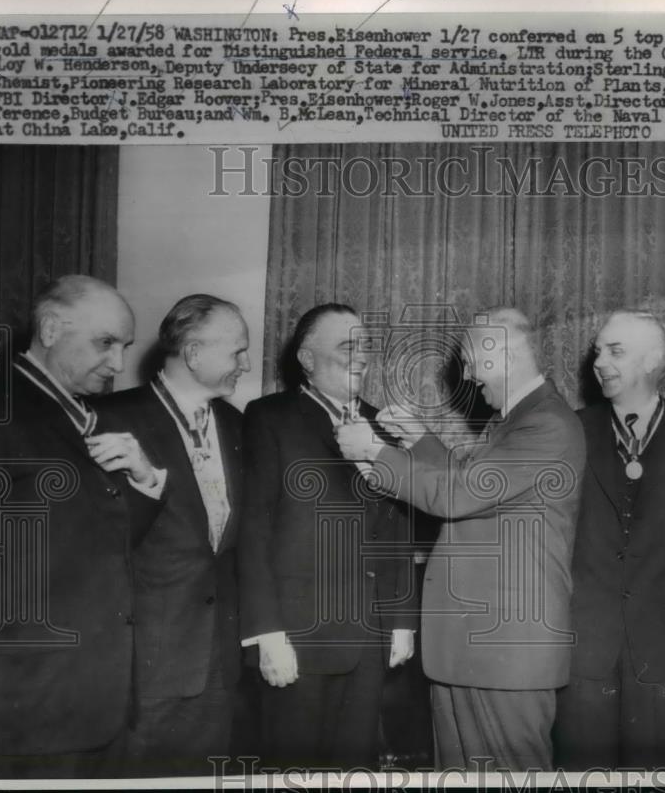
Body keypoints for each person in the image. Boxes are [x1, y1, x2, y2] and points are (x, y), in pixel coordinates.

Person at [337, 307, 586, 772]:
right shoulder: (512, 421)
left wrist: (374, 451)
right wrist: (419, 440)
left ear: (500, 357)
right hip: (477, 646)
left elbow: (459, 495)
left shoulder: (546, 424)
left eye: (471, 363)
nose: (469, 377)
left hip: (507, 650)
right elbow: (476, 486)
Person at [0, 275, 164, 779]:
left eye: (124, 347)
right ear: (51, 327)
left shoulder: (85, 416)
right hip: (29, 702)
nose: (119, 364)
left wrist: (145, 480)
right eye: (105, 342)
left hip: (97, 699)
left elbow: (109, 544)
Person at [237, 303, 417, 769]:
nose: (361, 356)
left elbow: (397, 529)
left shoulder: (386, 427)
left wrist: (401, 621)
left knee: (355, 771)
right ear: (307, 359)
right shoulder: (268, 417)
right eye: (346, 346)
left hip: (370, 639)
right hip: (297, 639)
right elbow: (253, 530)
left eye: (365, 346)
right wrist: (267, 635)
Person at [553, 310, 665, 769]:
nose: (600, 362)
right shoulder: (571, 430)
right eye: (597, 351)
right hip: (583, 640)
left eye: (616, 351)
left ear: (652, 361)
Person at [93, 295, 250, 776]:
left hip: (219, 663)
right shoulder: (108, 419)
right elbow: (94, 545)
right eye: (237, 352)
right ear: (195, 353)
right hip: (143, 665)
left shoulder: (237, 424)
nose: (245, 365)